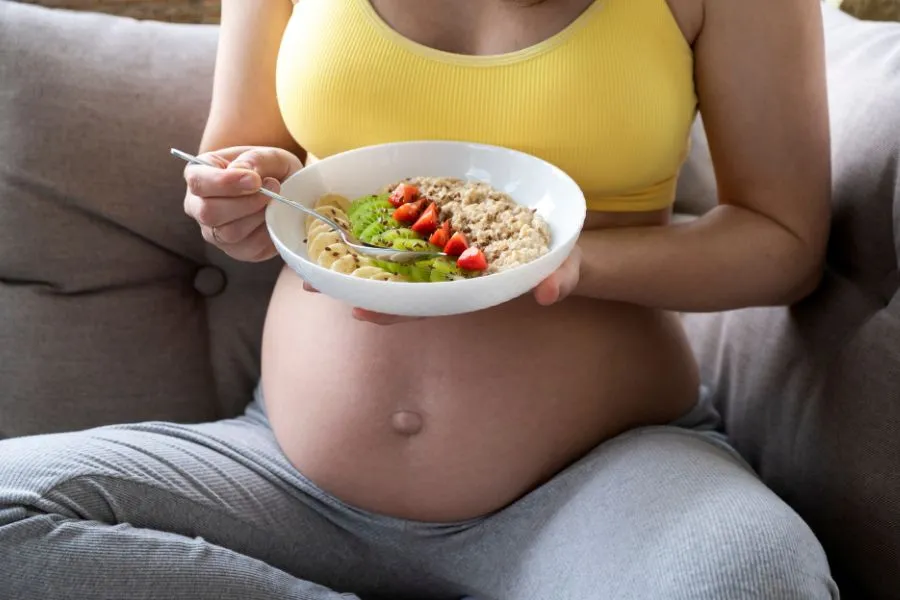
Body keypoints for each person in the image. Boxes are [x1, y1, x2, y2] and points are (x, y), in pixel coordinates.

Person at [0, 0, 840, 598]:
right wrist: (243, 203)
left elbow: (783, 242)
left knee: (751, 578)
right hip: (282, 482)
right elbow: (247, 166)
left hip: (603, 481)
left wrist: (574, 265)